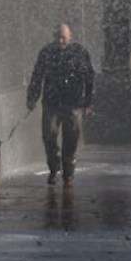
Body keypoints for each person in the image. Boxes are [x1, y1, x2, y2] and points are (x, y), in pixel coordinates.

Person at [27, 22, 95, 187]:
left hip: (74, 103)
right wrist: (32, 97)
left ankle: (68, 173)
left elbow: (89, 77)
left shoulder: (79, 52)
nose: (60, 40)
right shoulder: (47, 53)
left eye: (63, 37)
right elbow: (37, 76)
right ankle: (53, 165)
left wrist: (88, 101)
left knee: (71, 139)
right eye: (57, 36)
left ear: (70, 36)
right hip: (52, 101)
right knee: (49, 135)